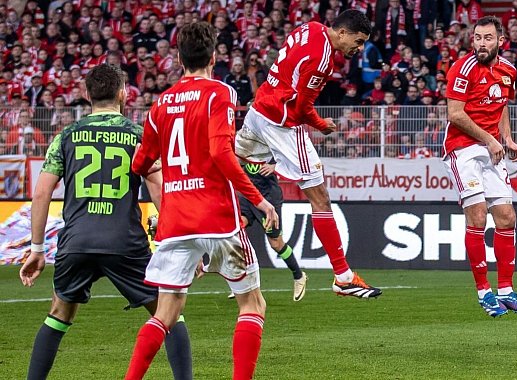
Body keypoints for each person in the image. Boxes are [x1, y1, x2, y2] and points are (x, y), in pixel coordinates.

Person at [124, 22, 279, 380]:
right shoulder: (220, 93)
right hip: (217, 217)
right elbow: (221, 153)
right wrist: (259, 200)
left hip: (175, 220)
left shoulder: (160, 104)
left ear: (178, 59)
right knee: (252, 304)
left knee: (165, 313)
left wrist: (160, 162)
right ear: (214, 57)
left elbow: (140, 164)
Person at [19, 63, 193, 380]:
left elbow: (42, 193)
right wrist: (174, 238)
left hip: (77, 241)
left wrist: (36, 249)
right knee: (169, 314)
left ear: (87, 95)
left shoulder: (66, 136)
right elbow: (159, 189)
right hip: (124, 242)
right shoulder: (137, 135)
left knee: (58, 314)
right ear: (123, 94)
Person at [233, 9, 380, 297]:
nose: (359, 48)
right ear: (342, 32)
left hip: (258, 111)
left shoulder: (310, 27)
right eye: (358, 41)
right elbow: (301, 109)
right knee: (320, 197)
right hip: (282, 124)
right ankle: (343, 276)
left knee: (224, 163)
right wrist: (321, 124)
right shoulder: (323, 60)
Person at [444, 16, 517, 318]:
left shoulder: (508, 71)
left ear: (500, 41)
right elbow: (455, 114)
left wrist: (506, 137)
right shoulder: (461, 69)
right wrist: (489, 140)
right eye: (477, 38)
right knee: (478, 214)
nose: (481, 43)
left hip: (491, 147)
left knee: (507, 217)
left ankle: (506, 291)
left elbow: (502, 106)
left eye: (488, 38)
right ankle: (484, 291)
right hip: (462, 149)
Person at [232, 159, 308, 301]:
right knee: (236, 229)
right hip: (249, 195)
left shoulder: (271, 141)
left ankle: (299, 276)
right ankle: (242, 281)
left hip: (268, 198)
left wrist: (275, 166)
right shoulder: (244, 141)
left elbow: (294, 162)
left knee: (276, 243)